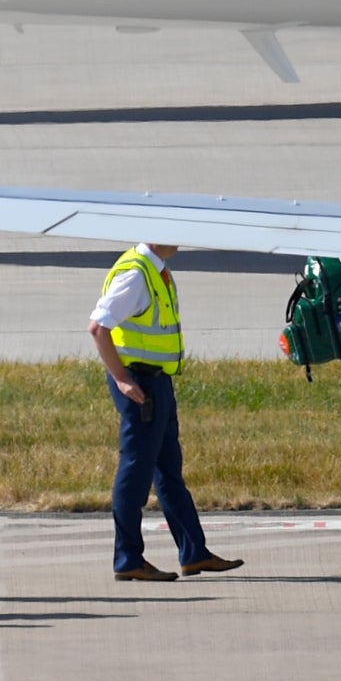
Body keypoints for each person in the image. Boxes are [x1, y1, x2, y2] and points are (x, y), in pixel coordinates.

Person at [89, 243, 242, 582]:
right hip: (140, 383)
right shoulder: (137, 274)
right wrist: (122, 379)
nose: (181, 240)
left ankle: (194, 553)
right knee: (135, 471)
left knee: (168, 470)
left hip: (157, 382)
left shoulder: (155, 269)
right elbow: (98, 328)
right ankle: (128, 558)